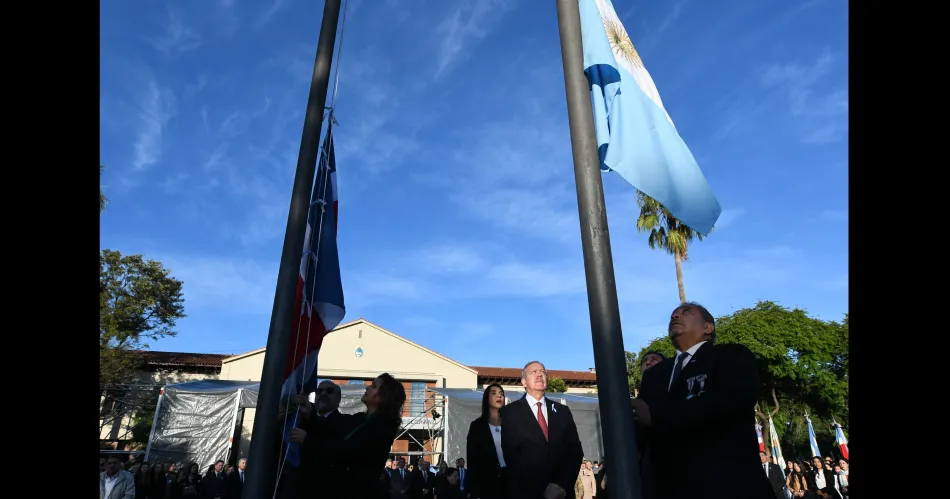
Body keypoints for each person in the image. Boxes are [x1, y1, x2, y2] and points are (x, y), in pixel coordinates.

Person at [633, 302, 774, 499]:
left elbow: (729, 403)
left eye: (686, 312)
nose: (675, 316)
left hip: (727, 484)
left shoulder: (730, 356)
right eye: (673, 314)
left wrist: (657, 417)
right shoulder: (654, 374)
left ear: (708, 327)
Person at [290, 373, 406, 499]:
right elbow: (333, 428)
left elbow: (345, 451)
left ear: (384, 396)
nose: (367, 387)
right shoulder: (361, 419)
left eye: (374, 386)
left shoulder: (383, 427)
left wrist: (307, 440)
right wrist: (310, 413)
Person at [500, 360, 584, 499]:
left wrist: (562, 486)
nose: (539, 374)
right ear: (524, 382)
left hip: (562, 493)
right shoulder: (510, 412)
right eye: (533, 372)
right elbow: (512, 456)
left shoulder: (562, 411)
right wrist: (544, 488)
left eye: (542, 372)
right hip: (528, 493)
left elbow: (575, 452)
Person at [466, 383, 509, 499]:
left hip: (509, 481)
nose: (499, 396)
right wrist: (474, 491)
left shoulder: (510, 423)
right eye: (494, 393)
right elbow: (472, 460)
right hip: (487, 483)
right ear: (486, 398)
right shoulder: (477, 426)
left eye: (501, 394)